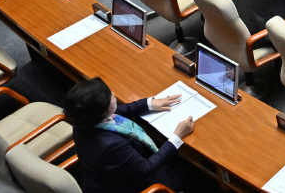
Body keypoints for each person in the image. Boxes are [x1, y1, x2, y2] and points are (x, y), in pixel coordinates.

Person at [64, 78, 192, 193]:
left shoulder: (83, 119)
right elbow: (146, 168)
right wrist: (177, 137)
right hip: (127, 184)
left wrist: (150, 103)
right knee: (188, 174)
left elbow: (118, 111)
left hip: (105, 173)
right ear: (103, 110)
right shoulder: (110, 145)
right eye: (110, 96)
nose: (113, 94)